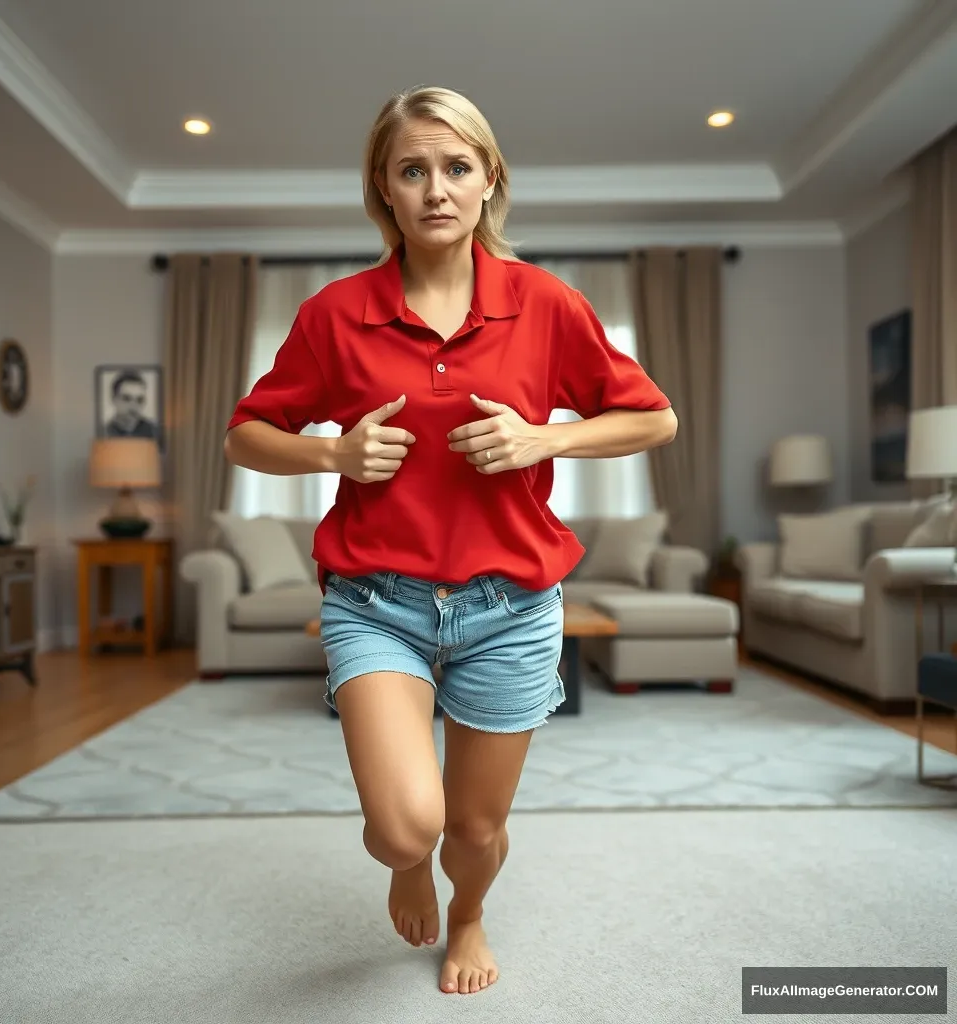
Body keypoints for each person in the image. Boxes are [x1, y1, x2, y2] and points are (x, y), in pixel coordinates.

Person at [224, 85, 677, 996]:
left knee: (472, 834)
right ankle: (403, 865)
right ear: (383, 190)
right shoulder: (334, 314)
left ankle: (468, 913)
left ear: (489, 181)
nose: (436, 188)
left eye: (456, 167)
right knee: (405, 829)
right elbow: (244, 434)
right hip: (376, 603)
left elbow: (653, 418)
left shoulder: (546, 304)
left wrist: (543, 436)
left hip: (510, 607)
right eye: (413, 170)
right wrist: (334, 451)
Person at [105, 371, 157, 440]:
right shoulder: (104, 434)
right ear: (114, 399)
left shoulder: (154, 432)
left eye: (139, 400)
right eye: (126, 399)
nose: (134, 406)